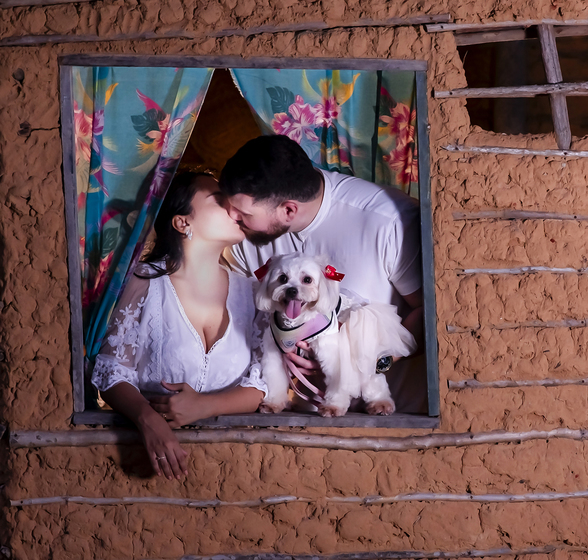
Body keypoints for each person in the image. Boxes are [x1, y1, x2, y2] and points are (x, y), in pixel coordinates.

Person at [218, 135, 425, 411]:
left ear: (289, 209)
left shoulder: (388, 222)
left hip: (387, 421)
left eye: (242, 212)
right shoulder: (241, 234)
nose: (232, 216)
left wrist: (363, 364)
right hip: (287, 421)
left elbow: (431, 313)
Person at [91, 172, 266, 480]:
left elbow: (261, 385)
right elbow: (111, 372)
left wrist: (204, 406)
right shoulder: (146, 282)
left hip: (235, 469)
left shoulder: (251, 293)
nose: (234, 207)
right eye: (219, 199)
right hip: (146, 467)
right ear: (183, 222)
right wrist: (147, 420)